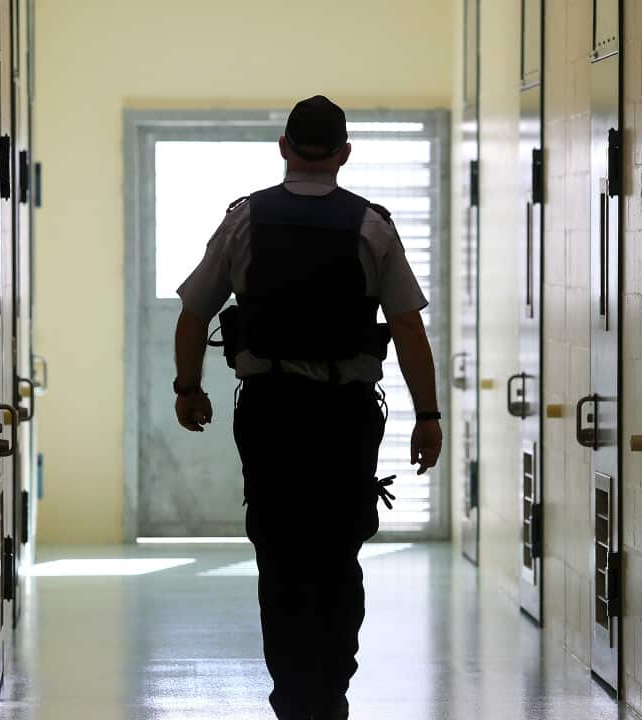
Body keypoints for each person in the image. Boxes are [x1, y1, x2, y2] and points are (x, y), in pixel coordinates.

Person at [171, 95, 442, 720]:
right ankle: (331, 691)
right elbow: (407, 329)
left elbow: (193, 314)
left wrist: (189, 387)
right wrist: (427, 417)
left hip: (270, 415)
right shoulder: (372, 225)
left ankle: (293, 697)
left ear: (284, 149)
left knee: (280, 553)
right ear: (345, 153)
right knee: (338, 551)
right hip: (345, 419)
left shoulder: (245, 220)